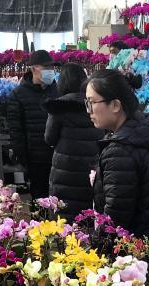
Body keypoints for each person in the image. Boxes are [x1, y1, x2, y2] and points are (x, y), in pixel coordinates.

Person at [86, 69, 149, 245]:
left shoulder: (120, 151)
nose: (88, 110)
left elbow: (115, 221)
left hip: (143, 252)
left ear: (116, 105)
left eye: (91, 102)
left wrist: (93, 250)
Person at [43, 63, 104, 220]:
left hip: (65, 170)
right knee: (88, 213)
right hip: (91, 165)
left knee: (64, 216)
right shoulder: (93, 103)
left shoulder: (58, 106)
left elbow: (49, 138)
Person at [8, 49, 59, 198]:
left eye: (52, 68)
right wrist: (22, 156)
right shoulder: (18, 95)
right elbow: (15, 129)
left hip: (57, 154)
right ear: (33, 68)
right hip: (35, 158)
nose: (50, 71)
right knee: (39, 198)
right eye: (46, 68)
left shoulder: (58, 91)